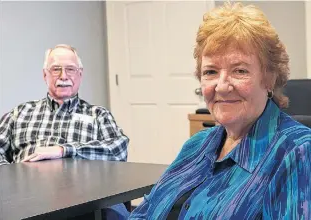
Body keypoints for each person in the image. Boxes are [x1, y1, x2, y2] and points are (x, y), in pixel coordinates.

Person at [129, 2, 311, 219]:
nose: (222, 86)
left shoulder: (297, 153)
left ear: (269, 78)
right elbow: (145, 211)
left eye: (240, 70)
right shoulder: (197, 144)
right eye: (211, 72)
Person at [0, 44, 130, 219]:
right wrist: (12, 180)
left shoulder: (97, 115)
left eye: (70, 69)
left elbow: (118, 149)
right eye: (56, 69)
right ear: (44, 75)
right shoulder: (21, 113)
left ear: (80, 75)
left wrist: (65, 150)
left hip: (86, 202)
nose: (63, 76)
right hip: (27, 204)